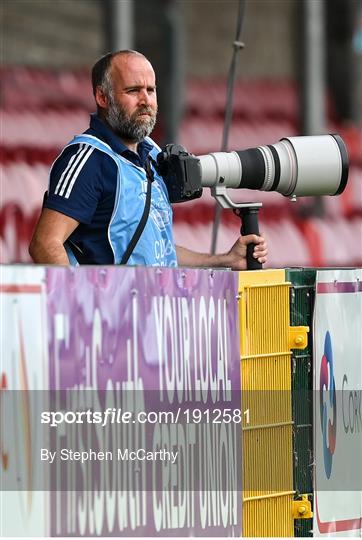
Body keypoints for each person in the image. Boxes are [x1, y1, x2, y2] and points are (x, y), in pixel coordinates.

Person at [29, 50, 267, 269]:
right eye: (133, 90)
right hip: (113, 313)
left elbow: (158, 253)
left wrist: (224, 259)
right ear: (102, 97)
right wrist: (83, 306)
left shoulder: (153, 154)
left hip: (153, 310)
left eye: (150, 90)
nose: (145, 100)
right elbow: (45, 244)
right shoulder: (89, 159)